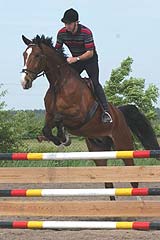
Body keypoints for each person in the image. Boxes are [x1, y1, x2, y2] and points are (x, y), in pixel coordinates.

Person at [55, 8, 113, 123]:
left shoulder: (86, 32)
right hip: (75, 60)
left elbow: (90, 53)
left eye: (69, 24)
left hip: (89, 59)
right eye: (65, 23)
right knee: (66, 81)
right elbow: (57, 50)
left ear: (76, 22)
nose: (67, 26)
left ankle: (106, 112)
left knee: (95, 82)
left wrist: (75, 59)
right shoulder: (61, 33)